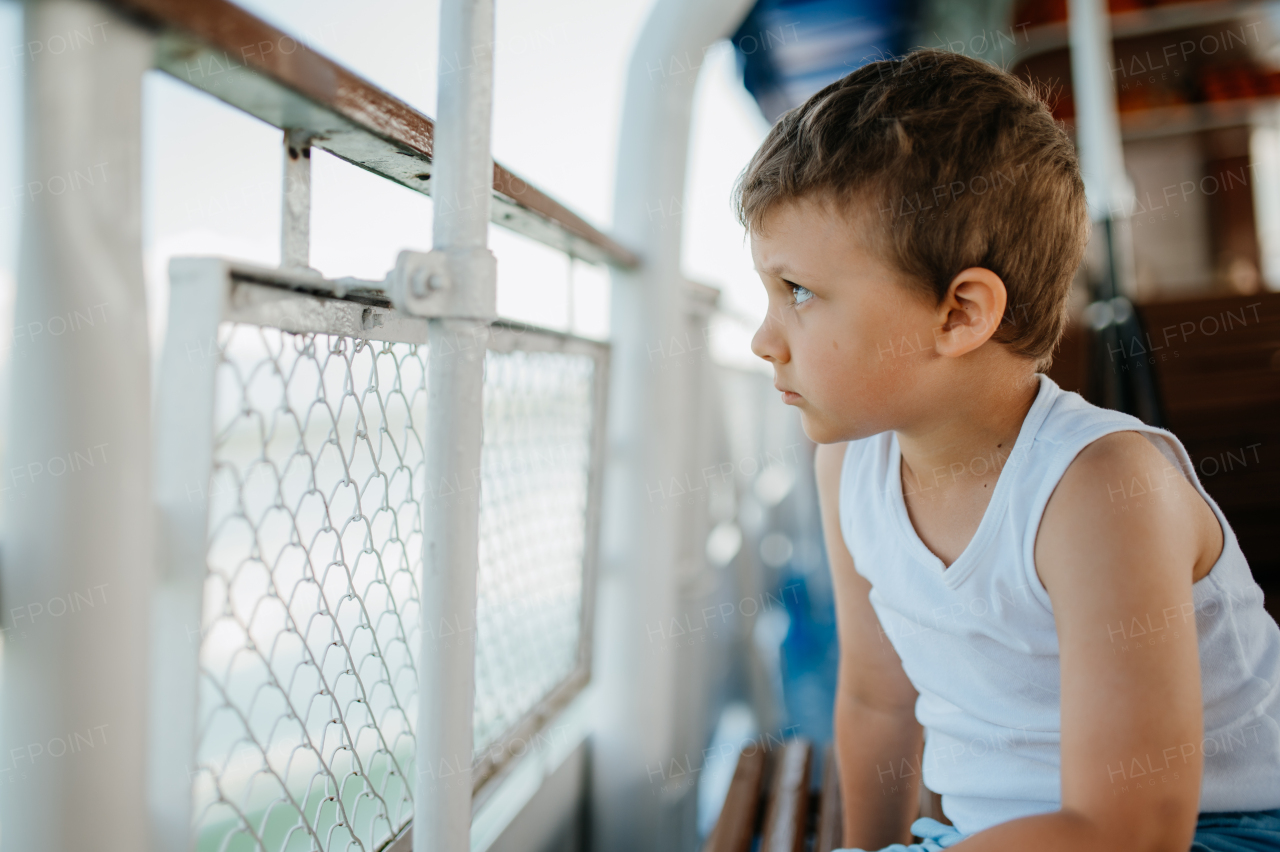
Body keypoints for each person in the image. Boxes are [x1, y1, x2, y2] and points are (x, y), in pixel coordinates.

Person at [738, 49, 1280, 852]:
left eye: (801, 293)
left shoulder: (1099, 489)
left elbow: (1131, 830)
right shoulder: (850, 464)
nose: (762, 341)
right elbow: (880, 701)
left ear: (960, 314)